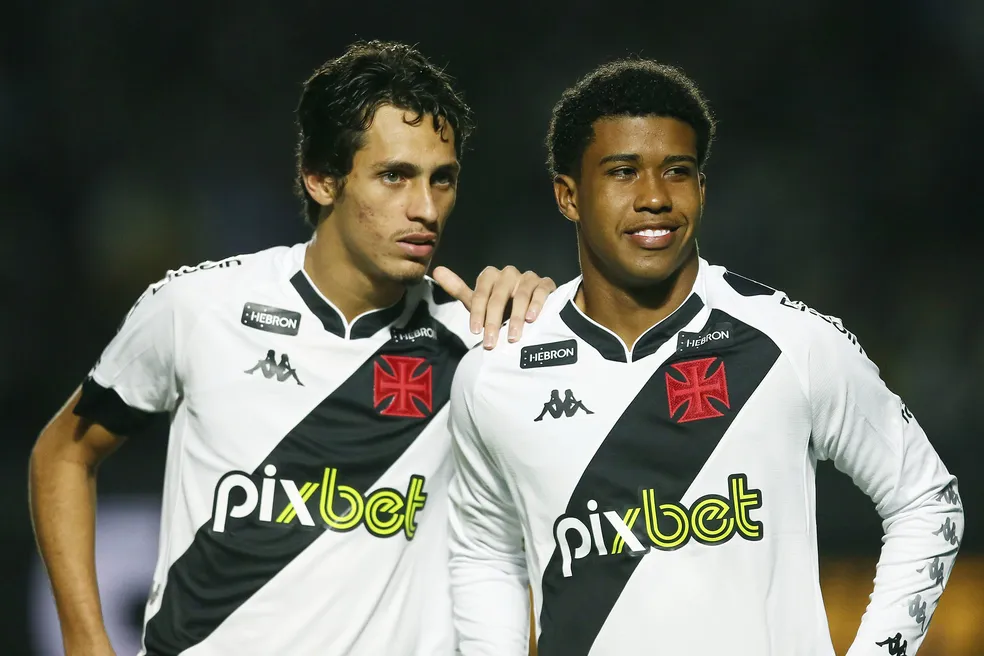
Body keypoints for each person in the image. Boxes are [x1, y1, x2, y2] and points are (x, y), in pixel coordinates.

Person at [29, 40, 555, 656]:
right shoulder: (199, 308)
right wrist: (85, 641)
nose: (426, 208)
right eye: (394, 176)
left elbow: (531, 537)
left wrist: (551, 322)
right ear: (321, 178)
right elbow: (62, 454)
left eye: (442, 180)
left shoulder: (477, 344)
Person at [447, 59, 964, 656]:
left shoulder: (790, 342)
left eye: (677, 171)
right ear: (569, 196)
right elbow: (484, 553)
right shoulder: (496, 372)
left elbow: (927, 499)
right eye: (622, 172)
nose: (654, 197)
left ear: (701, 189)